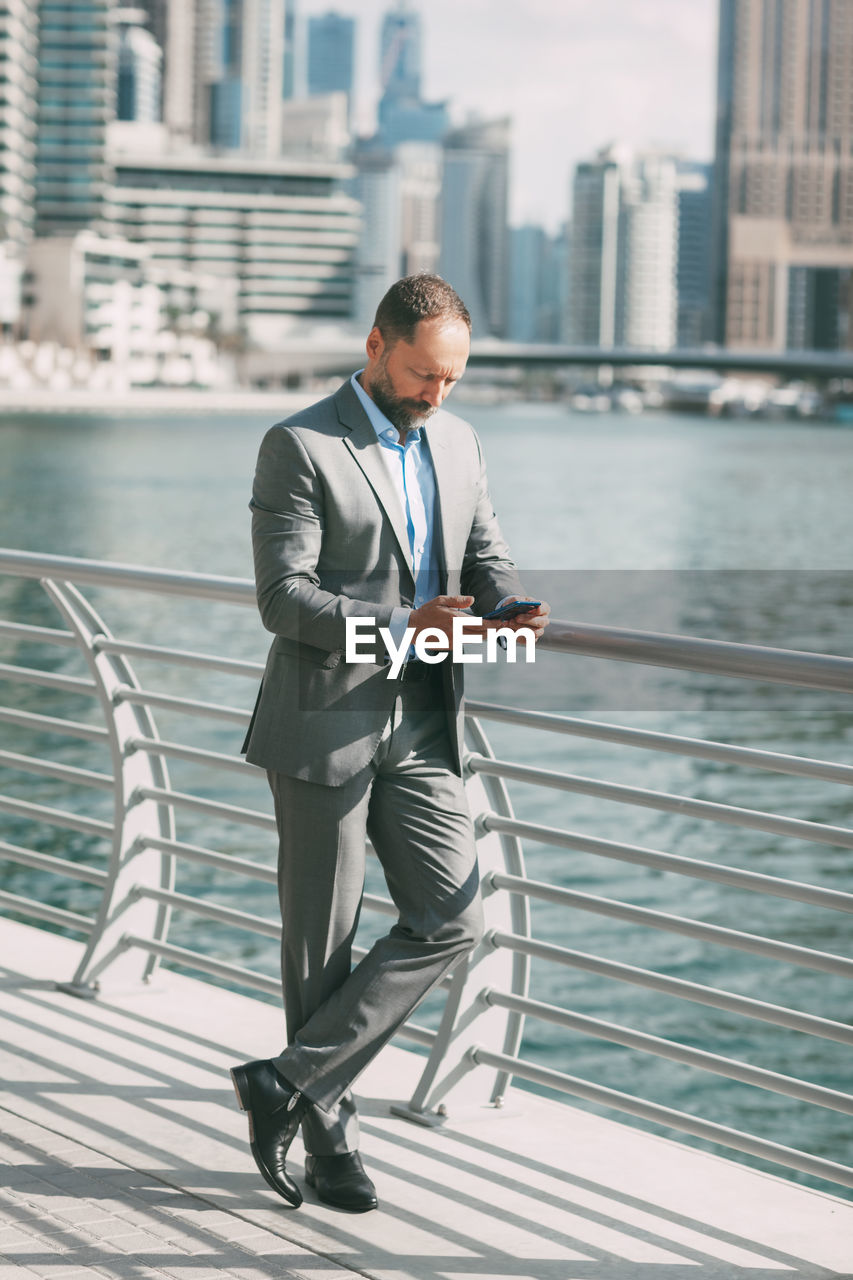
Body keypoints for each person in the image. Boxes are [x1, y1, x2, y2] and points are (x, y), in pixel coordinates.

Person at [231, 274, 549, 1212]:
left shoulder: (458, 441)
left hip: (422, 722)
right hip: (322, 719)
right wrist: (405, 624)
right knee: (319, 950)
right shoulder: (297, 444)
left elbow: (484, 552)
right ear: (376, 348)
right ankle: (329, 1142)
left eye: (450, 379)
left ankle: (286, 1082)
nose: (435, 395)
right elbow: (281, 601)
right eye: (420, 374)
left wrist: (505, 609)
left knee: (453, 916)